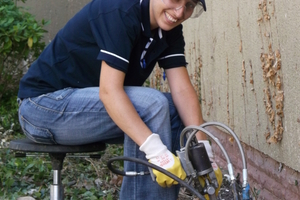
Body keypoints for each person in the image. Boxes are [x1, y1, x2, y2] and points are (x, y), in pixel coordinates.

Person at [17, 0, 216, 199]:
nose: (180, 11)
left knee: (172, 109)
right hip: (43, 108)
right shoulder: (120, 10)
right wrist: (158, 153)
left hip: (83, 108)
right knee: (152, 105)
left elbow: (181, 89)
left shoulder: (169, 28)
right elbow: (109, 92)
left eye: (190, 5)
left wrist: (203, 151)